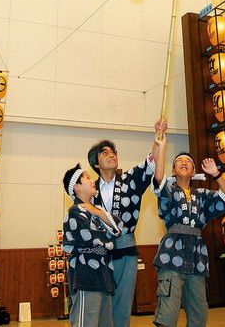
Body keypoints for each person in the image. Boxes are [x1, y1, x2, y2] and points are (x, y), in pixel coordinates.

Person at [87, 120, 168, 327]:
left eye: (113, 152)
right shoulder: (90, 189)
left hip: (125, 245)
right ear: (95, 163)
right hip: (98, 249)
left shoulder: (129, 180)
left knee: (123, 298)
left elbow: (149, 164)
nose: (111, 155)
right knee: (100, 299)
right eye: (105, 153)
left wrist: (157, 136)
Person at [151, 147, 225, 327]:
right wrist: (162, 148)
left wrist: (216, 174)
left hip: (197, 256)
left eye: (188, 161)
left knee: (199, 311)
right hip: (171, 254)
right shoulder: (169, 189)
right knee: (168, 311)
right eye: (179, 161)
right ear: (173, 171)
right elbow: (158, 179)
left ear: (194, 172)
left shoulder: (203, 195)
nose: (183, 163)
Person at [61, 164, 121, 327]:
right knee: (86, 321)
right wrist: (107, 235)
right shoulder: (75, 211)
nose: (92, 180)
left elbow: (118, 227)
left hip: (103, 273)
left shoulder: (97, 210)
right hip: (85, 275)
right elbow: (94, 238)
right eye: (86, 178)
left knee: (105, 322)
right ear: (77, 187)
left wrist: (97, 213)